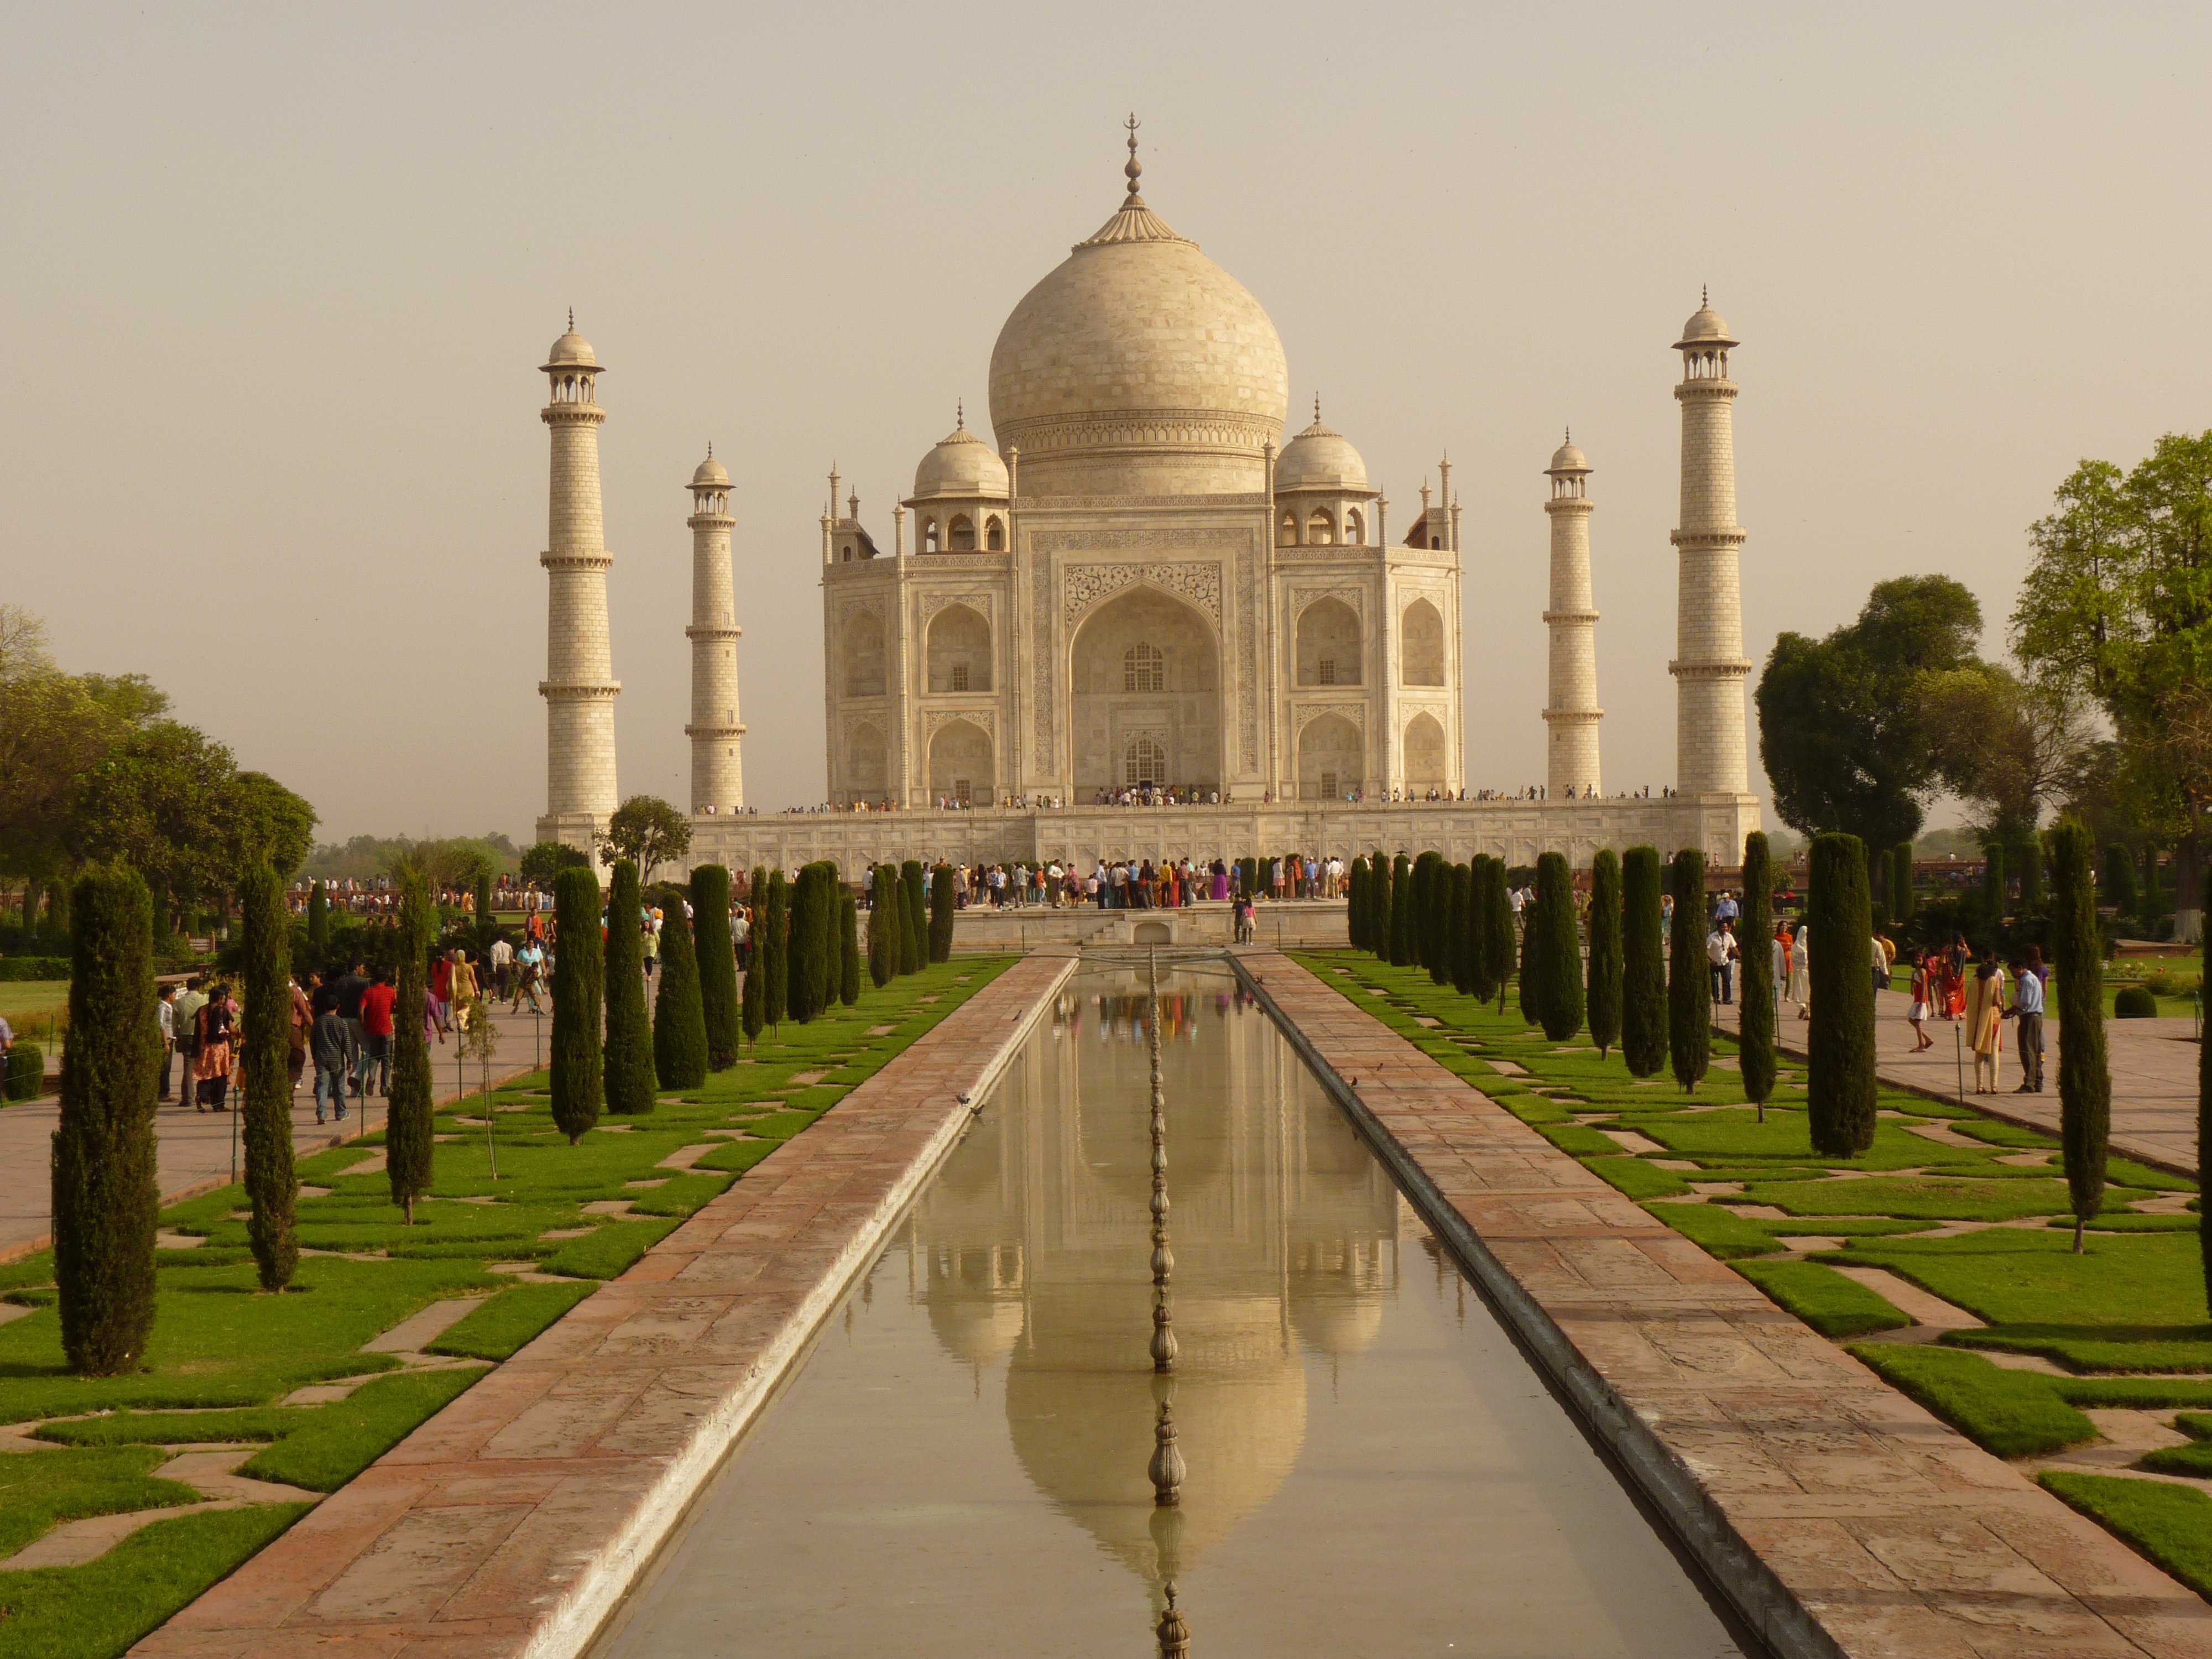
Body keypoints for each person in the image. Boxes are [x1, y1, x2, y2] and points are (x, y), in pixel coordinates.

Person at [2007, 950, 2047, 1093]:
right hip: (2036, 1017)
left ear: (2020, 968)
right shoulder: (2033, 979)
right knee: (2036, 1051)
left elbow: (2025, 1003)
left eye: (2013, 972)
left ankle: (2029, 1083)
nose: (2013, 976)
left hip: (2029, 1018)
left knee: (2027, 1050)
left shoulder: (2026, 980)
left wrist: (2010, 1011)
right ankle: (2038, 1081)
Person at [310, 998, 354, 1124]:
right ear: (338, 1007)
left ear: (325, 1006)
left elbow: (313, 1041)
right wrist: (350, 1060)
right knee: (339, 1087)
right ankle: (341, 1113)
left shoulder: (318, 1022)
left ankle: (321, 1113)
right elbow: (346, 1043)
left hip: (321, 1058)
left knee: (322, 1087)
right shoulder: (341, 1023)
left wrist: (314, 1057)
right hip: (337, 1059)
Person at [1966, 957, 2006, 1094]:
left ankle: (1979, 1086)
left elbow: (1969, 1000)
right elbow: (1995, 1001)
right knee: (1994, 1053)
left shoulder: (1974, 982)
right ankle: (1994, 1086)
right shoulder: (1994, 982)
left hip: (1978, 1020)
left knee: (1979, 1055)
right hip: (1993, 1020)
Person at [360, 968, 397, 1095]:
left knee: (374, 1057)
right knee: (387, 1059)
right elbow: (394, 1006)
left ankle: (372, 1076)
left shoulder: (368, 993)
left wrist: (364, 1024)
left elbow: (361, 1010)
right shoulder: (390, 991)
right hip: (387, 1029)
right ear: (386, 980)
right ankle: (385, 1088)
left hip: (373, 1029)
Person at [1907, 951, 1934, 1050]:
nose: (1917, 962)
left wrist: (1923, 1001)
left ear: (1923, 962)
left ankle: (1921, 1045)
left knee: (1917, 1023)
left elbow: (1924, 987)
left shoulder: (1923, 972)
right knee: (1911, 1020)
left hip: (1920, 1000)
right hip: (1917, 999)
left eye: (1920, 960)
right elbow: (1913, 982)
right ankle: (1927, 1039)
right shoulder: (1915, 972)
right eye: (1916, 960)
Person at [1705, 919, 1735, 1005]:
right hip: (1714, 962)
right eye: (1723, 927)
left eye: (1726, 927)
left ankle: (1727, 998)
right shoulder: (1712, 937)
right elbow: (1706, 950)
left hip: (1724, 961)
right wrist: (1711, 960)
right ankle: (1716, 998)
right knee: (1714, 981)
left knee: (1727, 979)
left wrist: (1740, 956)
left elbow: (1733, 947)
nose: (1725, 929)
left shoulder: (1729, 936)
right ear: (1718, 927)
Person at [157, 983, 179, 1101]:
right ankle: (163, 1093)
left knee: (168, 1067)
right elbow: (162, 1025)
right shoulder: (162, 1007)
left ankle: (166, 1091)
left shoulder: (170, 1006)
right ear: (169, 995)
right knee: (165, 1067)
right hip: (166, 1040)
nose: (175, 996)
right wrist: (165, 1043)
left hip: (171, 1039)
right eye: (174, 994)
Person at [1786, 923, 1811, 1020]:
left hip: (1798, 972)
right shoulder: (1809, 946)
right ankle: (1808, 1012)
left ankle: (1802, 1007)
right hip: (1807, 972)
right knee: (1808, 992)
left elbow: (1792, 958)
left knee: (1798, 993)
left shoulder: (1795, 946)